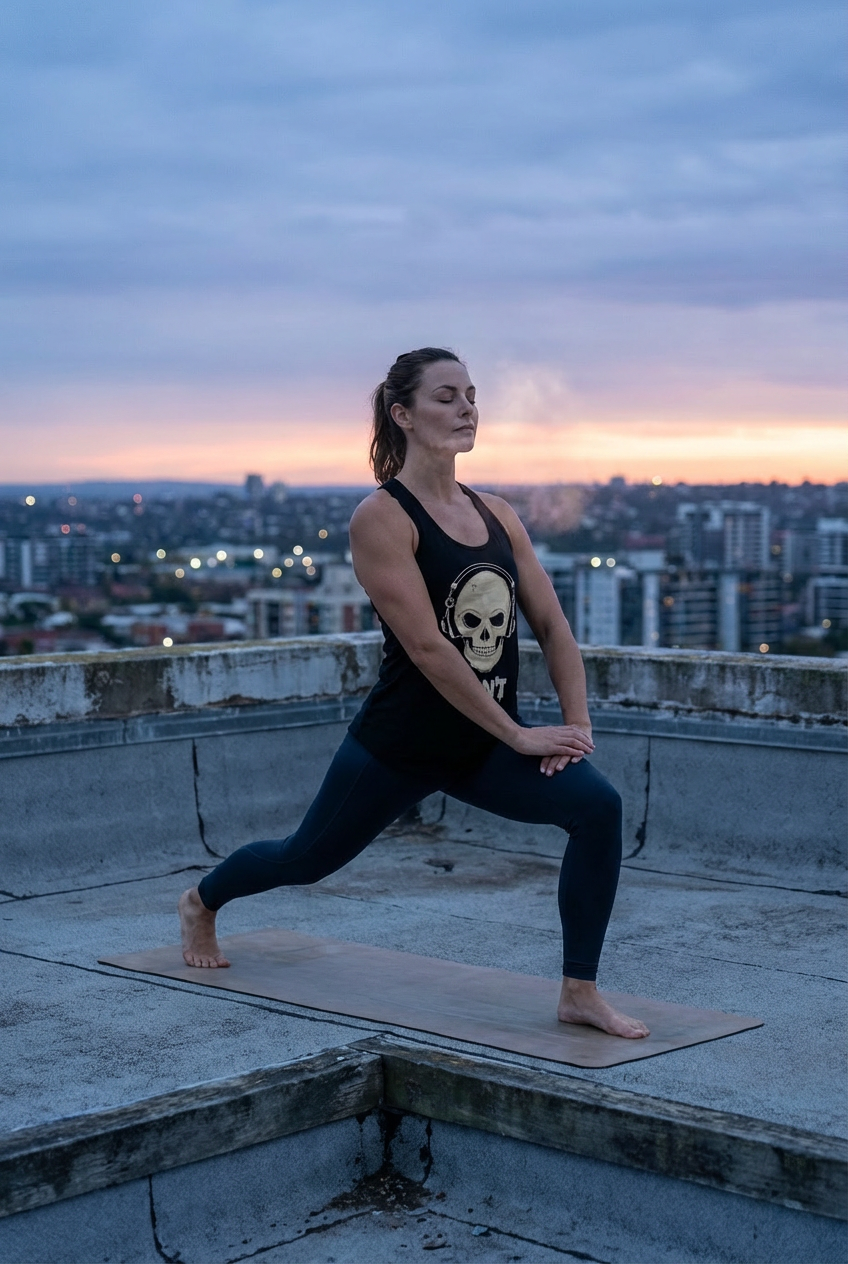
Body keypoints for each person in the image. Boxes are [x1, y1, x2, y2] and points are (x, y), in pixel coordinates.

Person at [179, 347, 649, 1039]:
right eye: (446, 396)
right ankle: (201, 900)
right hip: (400, 745)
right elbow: (429, 648)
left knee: (598, 808)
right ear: (402, 413)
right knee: (304, 860)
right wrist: (520, 735)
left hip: (482, 742)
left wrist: (574, 727)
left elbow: (552, 626)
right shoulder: (382, 517)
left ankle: (579, 991)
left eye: (472, 395)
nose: (466, 409)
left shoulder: (497, 513)